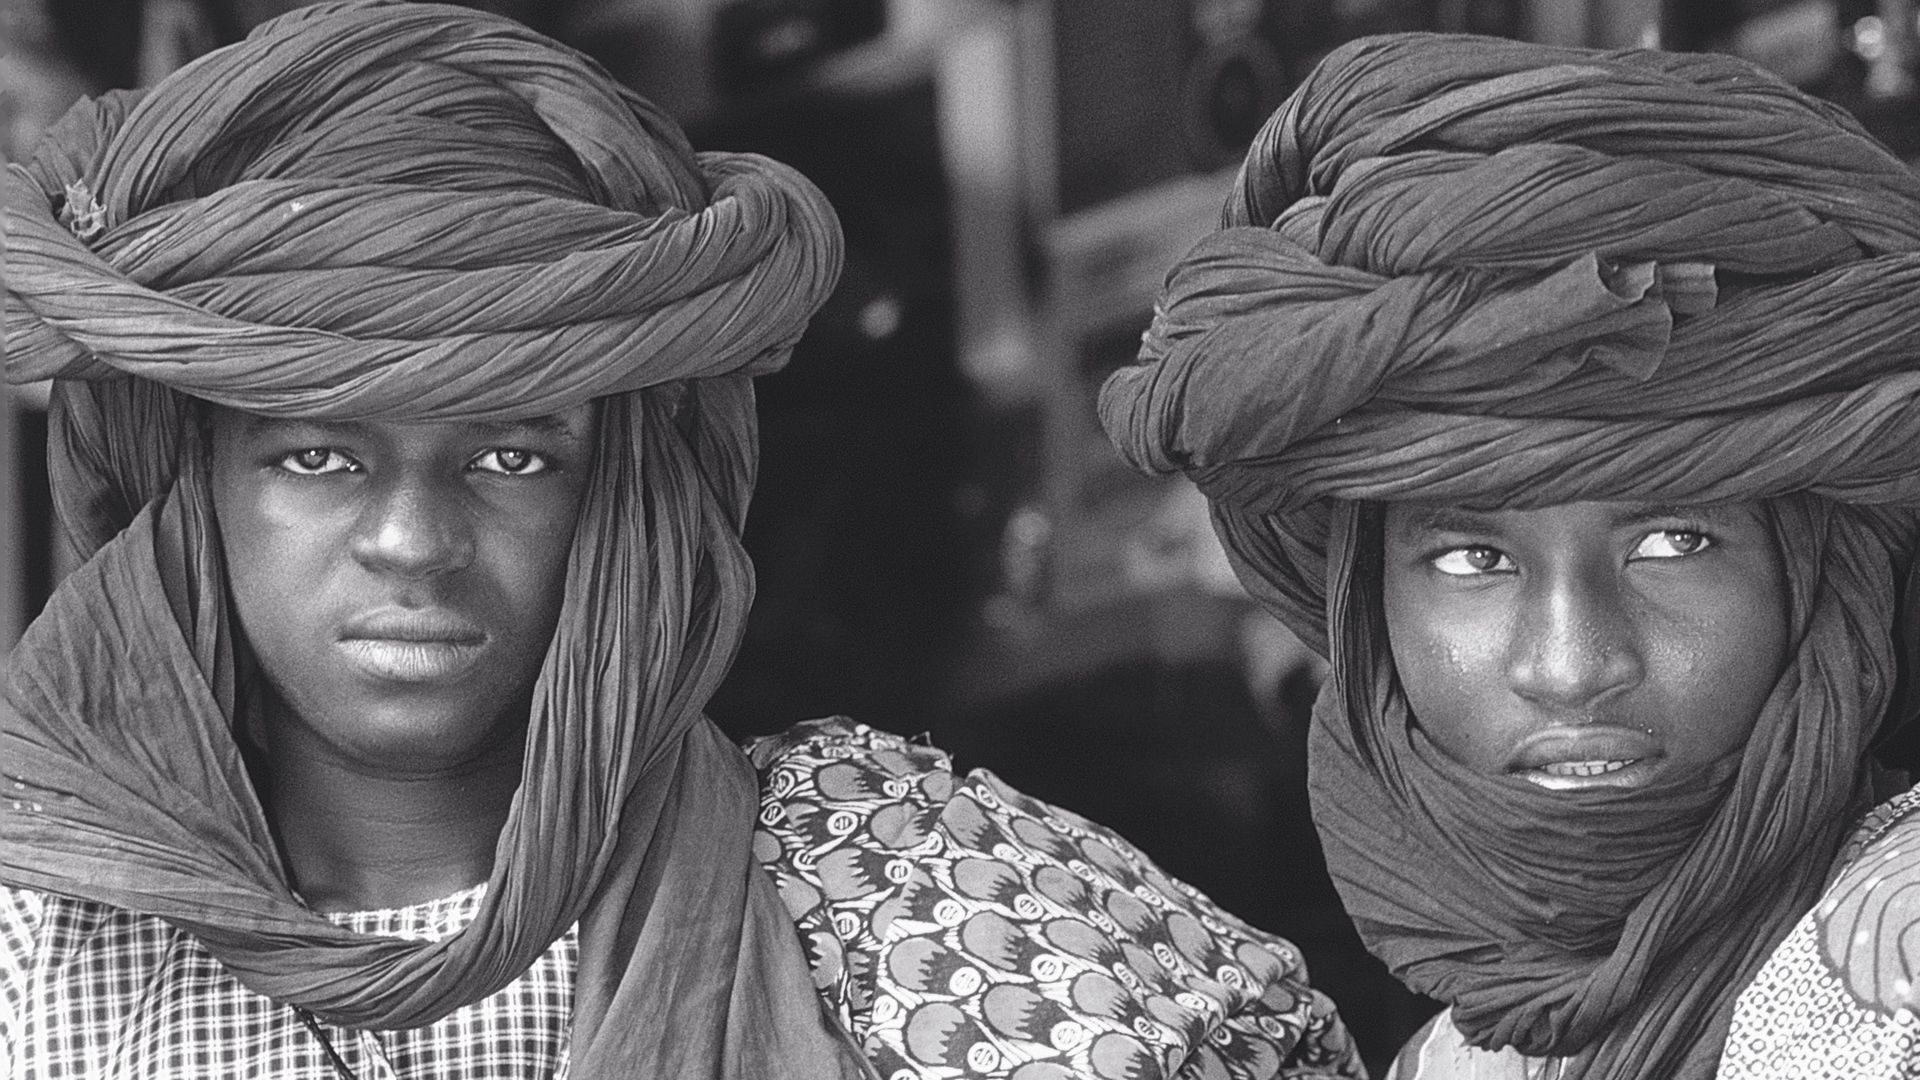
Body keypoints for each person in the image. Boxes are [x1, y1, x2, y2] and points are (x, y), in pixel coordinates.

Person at [0, 4, 1363, 1078]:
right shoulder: (37, 958)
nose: (412, 539)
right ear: (193, 492)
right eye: (317, 456)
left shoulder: (884, 879)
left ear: (625, 496)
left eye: (508, 455)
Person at [1099, 31, 1920, 1080]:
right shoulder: (1444, 1066)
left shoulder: (1891, 955)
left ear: (1817, 582)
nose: (1571, 667)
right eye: (1471, 561)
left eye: (1675, 541)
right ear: (1366, 610)